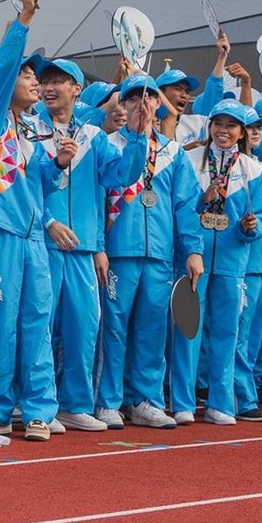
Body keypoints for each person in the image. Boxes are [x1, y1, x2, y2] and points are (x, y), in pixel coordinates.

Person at [0, 0, 74, 441]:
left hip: (31, 238)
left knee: (37, 323)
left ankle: (40, 409)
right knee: (0, 327)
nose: (36, 82)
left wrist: (59, 164)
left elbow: (39, 185)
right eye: (28, 74)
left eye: (37, 76)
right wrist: (23, 21)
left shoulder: (30, 130)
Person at [98, 72, 198, 430]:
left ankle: (146, 400)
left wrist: (193, 250)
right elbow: (97, 200)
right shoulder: (108, 144)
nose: (142, 103)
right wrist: (99, 246)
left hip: (159, 254)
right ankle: (108, 400)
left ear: (159, 104)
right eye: (133, 97)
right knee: (113, 327)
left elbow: (186, 205)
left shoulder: (173, 153)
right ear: (123, 105)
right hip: (118, 253)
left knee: (153, 329)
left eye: (149, 97)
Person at [182, 99, 262, 425]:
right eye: (218, 124)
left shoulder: (255, 170)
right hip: (193, 256)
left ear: (242, 133)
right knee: (188, 327)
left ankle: (220, 403)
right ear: (210, 127)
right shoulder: (190, 160)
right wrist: (202, 199)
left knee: (227, 331)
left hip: (233, 259)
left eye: (231, 126)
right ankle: (183, 401)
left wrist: (251, 228)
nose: (224, 131)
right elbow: (179, 207)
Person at [32, 60, 116, 432]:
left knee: (84, 328)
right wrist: (46, 222)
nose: (50, 88)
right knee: (39, 326)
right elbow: (25, 186)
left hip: (82, 247)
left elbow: (118, 178)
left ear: (77, 88)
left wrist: (140, 132)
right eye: (45, 81)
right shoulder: (30, 129)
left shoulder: (94, 136)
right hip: (42, 241)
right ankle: (35, 403)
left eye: (58, 81)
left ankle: (75, 403)